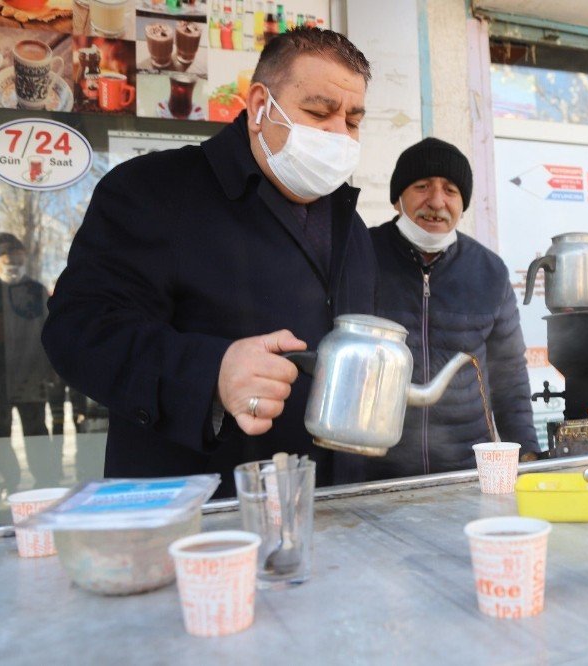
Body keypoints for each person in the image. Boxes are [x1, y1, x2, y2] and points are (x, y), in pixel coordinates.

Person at [42, 27, 376, 498]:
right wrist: (211, 373)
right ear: (260, 106)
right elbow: (78, 331)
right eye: (320, 112)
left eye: (353, 120)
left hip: (329, 510)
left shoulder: (352, 229)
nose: (339, 133)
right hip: (197, 518)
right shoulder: (154, 190)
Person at [365, 138, 538, 480]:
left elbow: (509, 375)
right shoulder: (360, 256)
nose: (436, 201)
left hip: (467, 469)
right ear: (397, 198)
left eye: (450, 190)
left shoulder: (489, 272)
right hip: (374, 469)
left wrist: (528, 452)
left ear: (463, 203)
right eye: (422, 186)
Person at [0, 232, 60, 495]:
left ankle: (46, 482)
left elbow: (50, 330)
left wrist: (52, 370)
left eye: (18, 258)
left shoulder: (35, 291)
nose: (14, 264)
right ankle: (6, 483)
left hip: (30, 374)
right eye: (7, 258)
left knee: (36, 432)